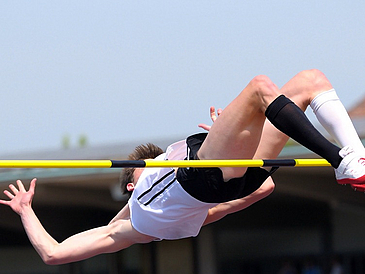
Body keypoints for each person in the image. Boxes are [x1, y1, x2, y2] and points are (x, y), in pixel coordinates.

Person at [1, 69, 364, 265]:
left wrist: (233, 136)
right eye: (142, 167)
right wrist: (25, 210)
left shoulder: (185, 218)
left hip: (229, 172)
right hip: (205, 175)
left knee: (309, 81)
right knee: (259, 87)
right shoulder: (131, 225)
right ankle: (342, 161)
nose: (149, 164)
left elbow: (264, 188)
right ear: (131, 185)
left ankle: (355, 158)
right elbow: (53, 253)